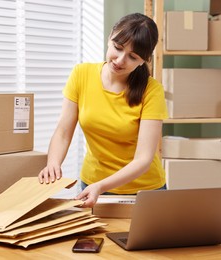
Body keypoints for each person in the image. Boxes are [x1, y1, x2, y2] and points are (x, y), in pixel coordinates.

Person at [38, 12, 168, 208]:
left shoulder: (152, 91)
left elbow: (143, 159)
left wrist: (101, 186)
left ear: (144, 60)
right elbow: (63, 132)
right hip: (92, 185)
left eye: (132, 57)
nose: (120, 60)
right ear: (110, 37)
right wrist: (53, 162)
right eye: (118, 47)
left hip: (145, 191)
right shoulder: (81, 74)